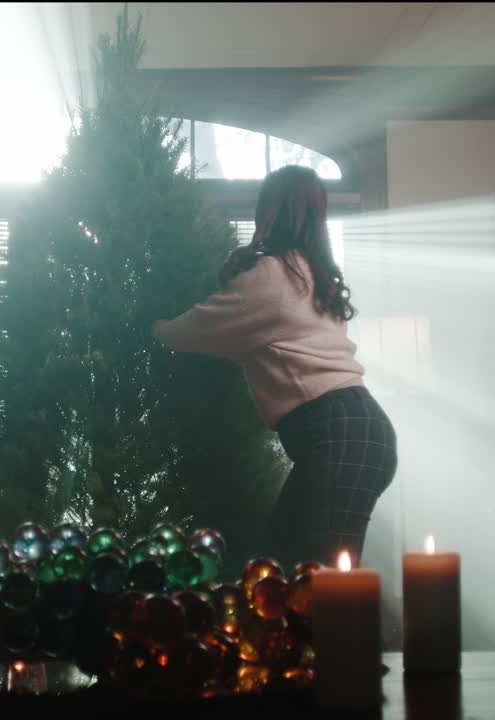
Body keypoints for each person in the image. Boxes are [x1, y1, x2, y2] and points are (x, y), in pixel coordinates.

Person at [151, 164, 397, 569]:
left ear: (269, 210)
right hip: (355, 430)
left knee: (321, 583)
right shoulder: (311, 275)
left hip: (338, 433)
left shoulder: (271, 275)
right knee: (276, 569)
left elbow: (197, 328)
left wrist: (154, 328)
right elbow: (265, 343)